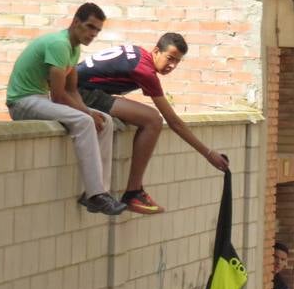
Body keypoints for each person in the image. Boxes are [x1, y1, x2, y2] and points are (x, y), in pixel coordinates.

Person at [77, 33, 229, 214]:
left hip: (81, 88)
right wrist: (208, 153)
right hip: (78, 92)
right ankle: (133, 192)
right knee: (153, 120)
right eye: (170, 58)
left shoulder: (139, 54)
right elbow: (173, 122)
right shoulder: (145, 71)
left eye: (177, 62)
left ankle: (133, 192)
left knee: (145, 116)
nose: (172, 65)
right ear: (156, 51)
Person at [5, 2, 124, 216]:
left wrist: (91, 112)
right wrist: (87, 114)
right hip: (22, 101)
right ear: (76, 22)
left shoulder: (74, 48)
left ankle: (97, 192)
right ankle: (96, 195)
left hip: (40, 100)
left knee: (104, 120)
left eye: (97, 30)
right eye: (90, 27)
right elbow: (59, 96)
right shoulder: (59, 44)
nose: (93, 33)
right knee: (85, 121)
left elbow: (72, 91)